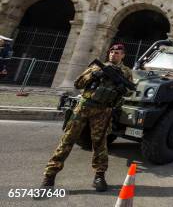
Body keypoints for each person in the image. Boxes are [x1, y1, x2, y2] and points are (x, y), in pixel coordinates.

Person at [41, 43, 134, 192]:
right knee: (68, 140)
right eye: (112, 51)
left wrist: (123, 89)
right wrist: (94, 75)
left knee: (100, 143)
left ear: (123, 55)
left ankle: (99, 176)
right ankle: (49, 177)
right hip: (84, 107)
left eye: (118, 52)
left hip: (103, 111)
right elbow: (78, 83)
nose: (113, 54)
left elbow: (130, 91)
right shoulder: (97, 67)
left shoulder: (126, 72)